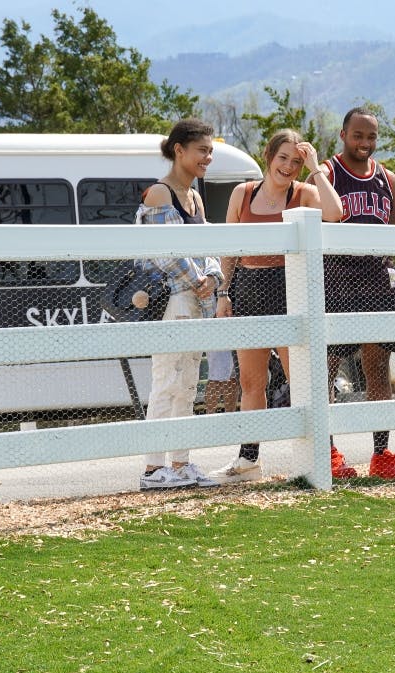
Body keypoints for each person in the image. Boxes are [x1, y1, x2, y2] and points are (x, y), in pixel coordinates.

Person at [211, 129, 345, 483]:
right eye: (283, 158)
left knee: (301, 379)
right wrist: (224, 293)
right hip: (248, 289)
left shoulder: (305, 193)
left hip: (290, 289)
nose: (288, 166)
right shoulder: (243, 193)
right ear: (269, 156)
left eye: (296, 161)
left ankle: (323, 455)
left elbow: (335, 213)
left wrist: (316, 166)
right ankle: (248, 460)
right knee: (252, 381)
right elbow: (231, 248)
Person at [317, 107, 395, 480]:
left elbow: (391, 231)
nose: (365, 143)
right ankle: (328, 453)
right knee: (326, 371)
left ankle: (381, 453)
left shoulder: (389, 180)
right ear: (343, 135)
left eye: (371, 137)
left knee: (378, 371)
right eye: (358, 136)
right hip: (336, 279)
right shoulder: (327, 173)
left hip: (377, 280)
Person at [136, 118, 225, 491]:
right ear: (179, 150)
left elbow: (206, 248)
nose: (208, 157)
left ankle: (180, 462)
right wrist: (199, 280)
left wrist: (214, 278)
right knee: (166, 379)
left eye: (210, 151)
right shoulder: (160, 194)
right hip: (171, 300)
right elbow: (165, 253)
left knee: (189, 383)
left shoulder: (194, 196)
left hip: (196, 301)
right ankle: (154, 469)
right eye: (202, 150)